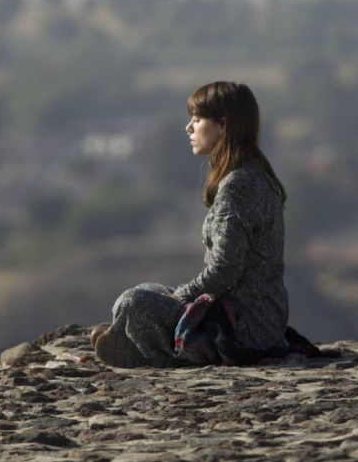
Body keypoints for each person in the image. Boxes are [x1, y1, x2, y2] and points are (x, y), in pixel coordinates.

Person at [94, 80, 289, 368]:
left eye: (197, 119)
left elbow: (225, 270)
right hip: (261, 320)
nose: (189, 128)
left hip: (243, 329)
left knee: (132, 302)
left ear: (223, 125)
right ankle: (131, 338)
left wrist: (180, 295)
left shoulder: (238, 185)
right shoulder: (254, 175)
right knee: (149, 289)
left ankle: (160, 348)